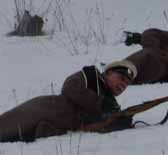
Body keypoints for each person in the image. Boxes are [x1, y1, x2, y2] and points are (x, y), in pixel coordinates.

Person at [0, 61, 135, 142]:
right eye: (121, 78)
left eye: (127, 84)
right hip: (46, 108)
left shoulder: (111, 105)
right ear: (108, 72)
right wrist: (100, 103)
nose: (123, 85)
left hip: (49, 126)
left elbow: (91, 128)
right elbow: (70, 87)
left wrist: (119, 122)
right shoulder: (91, 76)